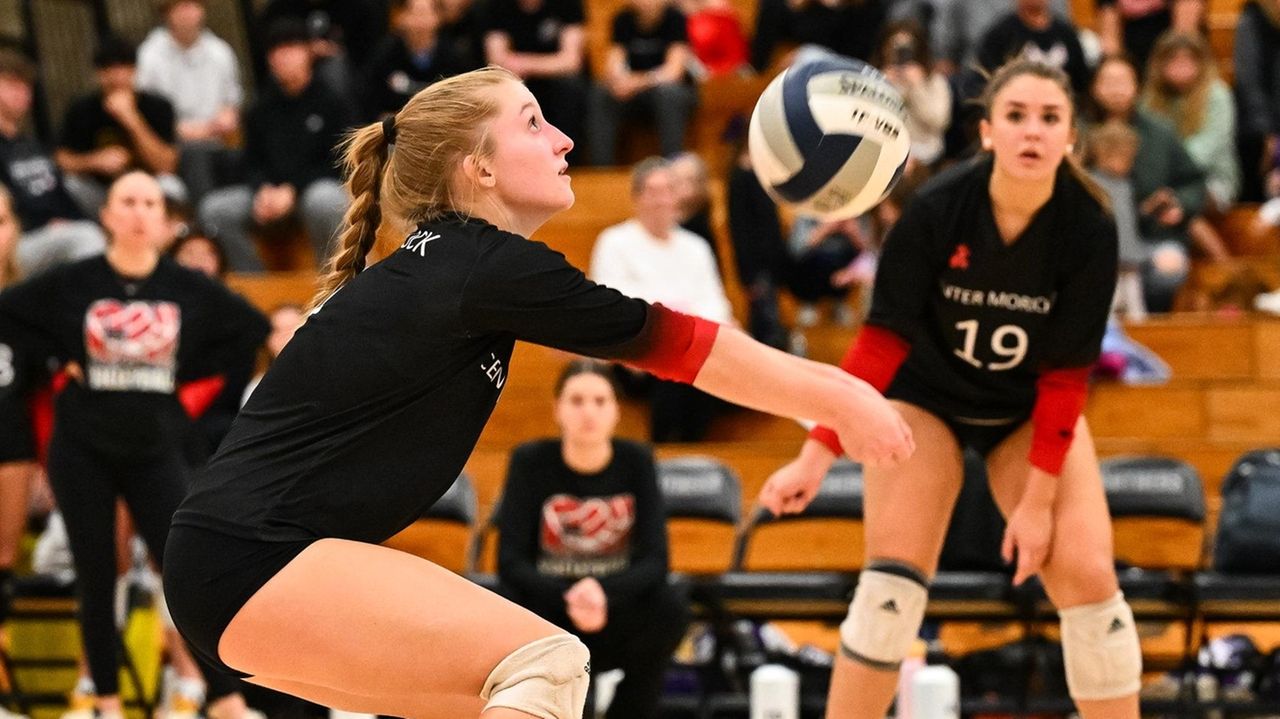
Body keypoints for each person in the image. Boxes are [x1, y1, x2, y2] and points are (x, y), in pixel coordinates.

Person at [159, 66, 913, 719]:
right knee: (544, 661)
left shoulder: (456, 267)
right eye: (533, 123)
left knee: (499, 693)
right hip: (254, 559)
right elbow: (685, 349)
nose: (565, 139)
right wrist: (843, 398)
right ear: (478, 169)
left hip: (236, 565)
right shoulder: (477, 264)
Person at [759, 59, 1141, 719]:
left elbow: (1067, 374)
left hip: (1026, 410)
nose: (1033, 131)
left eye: (1050, 118)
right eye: (1016, 115)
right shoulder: (938, 208)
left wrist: (1037, 503)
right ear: (987, 131)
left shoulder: (1089, 225)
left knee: (1092, 586)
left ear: (1072, 137)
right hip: (925, 400)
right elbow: (879, 343)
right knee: (889, 592)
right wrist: (816, 453)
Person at [0, 171, 269, 719]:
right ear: (108, 216)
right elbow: (9, 313)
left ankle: (224, 698)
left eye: (151, 202)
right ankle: (104, 699)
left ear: (165, 222)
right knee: (97, 573)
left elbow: (248, 327)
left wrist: (176, 367)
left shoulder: (185, 286)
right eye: (127, 201)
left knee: (184, 572)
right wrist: (61, 353)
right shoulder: (74, 281)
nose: (140, 211)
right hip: (82, 447)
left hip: (154, 445)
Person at [497, 360, 690, 719]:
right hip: (552, 609)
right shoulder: (529, 461)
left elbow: (656, 561)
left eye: (601, 401)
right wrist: (568, 595)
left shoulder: (637, 461)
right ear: (558, 408)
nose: (589, 412)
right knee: (502, 599)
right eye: (577, 400)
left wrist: (603, 593)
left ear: (617, 411)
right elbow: (510, 561)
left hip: (617, 609)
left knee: (670, 607)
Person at [589, 156, 733, 442]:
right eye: (653, 192)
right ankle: (666, 455)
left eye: (668, 191)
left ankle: (695, 457)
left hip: (693, 347)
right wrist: (675, 316)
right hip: (635, 353)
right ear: (637, 198)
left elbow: (715, 302)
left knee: (699, 369)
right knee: (670, 371)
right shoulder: (615, 242)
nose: (661, 200)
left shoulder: (696, 247)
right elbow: (615, 301)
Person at [198, 19, 353, 272]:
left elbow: (340, 161)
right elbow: (251, 162)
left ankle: (335, 284)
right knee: (214, 210)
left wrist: (293, 190)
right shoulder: (260, 108)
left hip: (314, 189)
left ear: (308, 52)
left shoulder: (332, 101)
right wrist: (262, 190)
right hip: (270, 194)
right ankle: (253, 288)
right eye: (275, 50)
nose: (282, 57)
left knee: (324, 201)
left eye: (291, 48)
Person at [1088, 54, 1206, 311]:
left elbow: (1194, 181)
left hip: (1153, 236)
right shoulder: (1078, 132)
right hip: (1091, 242)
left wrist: (1180, 205)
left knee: (1169, 268)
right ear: (1094, 87)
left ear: (1137, 86)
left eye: (1124, 81)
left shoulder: (1160, 132)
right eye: (1109, 81)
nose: (1117, 89)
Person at [0, 49, 107, 278]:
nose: (23, 93)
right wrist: (46, 225)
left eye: (26, 86)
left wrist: (70, 222)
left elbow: (61, 195)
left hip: (55, 234)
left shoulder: (33, 145)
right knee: (84, 238)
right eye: (12, 85)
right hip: (17, 241)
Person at [55, 35, 184, 215]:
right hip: (101, 193)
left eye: (123, 68)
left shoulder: (158, 106)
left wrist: (131, 119)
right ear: (98, 74)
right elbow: (62, 159)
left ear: (135, 71)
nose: (117, 77)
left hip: (147, 187)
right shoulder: (81, 108)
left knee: (171, 187)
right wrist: (94, 161)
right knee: (72, 186)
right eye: (108, 70)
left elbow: (167, 166)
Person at [136, 0, 245, 204]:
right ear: (166, 12)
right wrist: (187, 131)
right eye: (180, 6)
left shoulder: (221, 51)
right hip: (173, 149)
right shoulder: (149, 56)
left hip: (218, 142)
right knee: (196, 156)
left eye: (193, 4)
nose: (188, 12)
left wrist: (228, 116)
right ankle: (206, 225)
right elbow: (147, 117)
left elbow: (232, 102)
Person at [587, 0, 697, 166]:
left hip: (669, 92)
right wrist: (619, 80)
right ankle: (601, 170)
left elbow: (674, 72)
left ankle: (673, 167)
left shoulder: (676, 19)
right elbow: (615, 62)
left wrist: (637, 82)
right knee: (601, 92)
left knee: (668, 94)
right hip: (635, 94)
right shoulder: (623, 19)